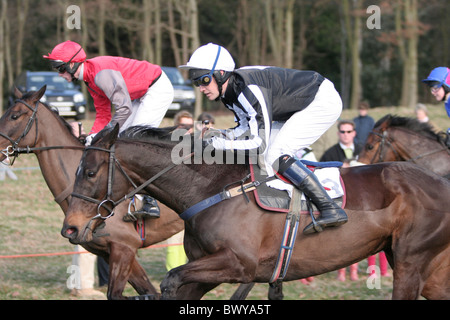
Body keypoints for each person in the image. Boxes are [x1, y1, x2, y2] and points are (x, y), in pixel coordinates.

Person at [179, 43, 347, 234]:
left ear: (221, 73)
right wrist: (217, 134)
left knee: (275, 153)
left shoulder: (248, 91)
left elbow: (258, 144)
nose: (201, 88)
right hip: (299, 106)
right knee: (270, 154)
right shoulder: (229, 93)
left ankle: (329, 207)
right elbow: (243, 129)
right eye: (196, 83)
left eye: (204, 80)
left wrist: (216, 143)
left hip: (321, 101)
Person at [44, 40, 174, 219]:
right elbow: (103, 115)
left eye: (60, 68)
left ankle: (150, 202)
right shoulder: (89, 80)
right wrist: (92, 138)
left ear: (72, 64)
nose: (59, 74)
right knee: (119, 140)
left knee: (133, 138)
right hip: (137, 95)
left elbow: (124, 109)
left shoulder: (100, 75)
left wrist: (105, 134)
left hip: (157, 88)